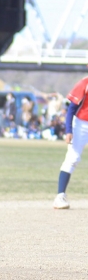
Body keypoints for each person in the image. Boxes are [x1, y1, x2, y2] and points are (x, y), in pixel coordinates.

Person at [53, 77, 88, 209]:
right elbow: (71, 109)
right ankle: (60, 197)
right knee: (73, 158)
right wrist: (68, 130)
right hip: (81, 124)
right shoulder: (84, 83)